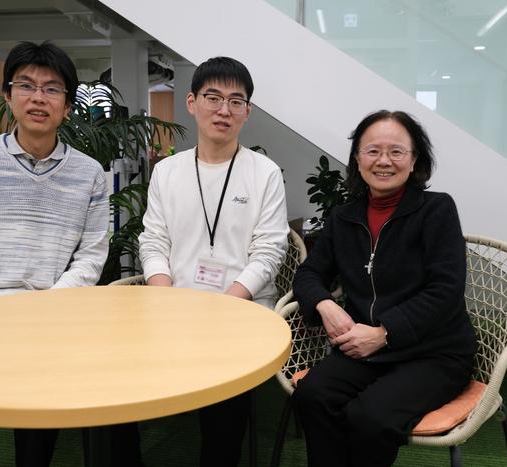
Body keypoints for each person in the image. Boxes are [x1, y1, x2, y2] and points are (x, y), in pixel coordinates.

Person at [0, 41, 110, 467]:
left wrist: (46, 312)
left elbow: (91, 257)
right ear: (8, 96)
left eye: (52, 89)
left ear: (67, 105)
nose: (38, 97)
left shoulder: (89, 174)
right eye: (26, 85)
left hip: (49, 317)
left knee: (39, 407)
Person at [292, 110, 477, 467]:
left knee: (370, 418)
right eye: (373, 150)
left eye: (396, 151)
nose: (384, 161)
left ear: (414, 160)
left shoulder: (436, 210)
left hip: (434, 353)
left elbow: (446, 290)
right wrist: (326, 306)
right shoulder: (343, 218)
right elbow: (308, 275)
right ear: (358, 158)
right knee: (313, 395)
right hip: (367, 349)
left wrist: (384, 332)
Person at [137, 56, 289, 466]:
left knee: (224, 407)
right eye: (213, 98)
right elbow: (153, 241)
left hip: (241, 311)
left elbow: (270, 250)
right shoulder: (167, 172)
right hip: (174, 307)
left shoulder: (265, 173)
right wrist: (164, 294)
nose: (224, 110)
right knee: (121, 385)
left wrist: (229, 300)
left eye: (236, 101)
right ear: (191, 102)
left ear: (247, 111)